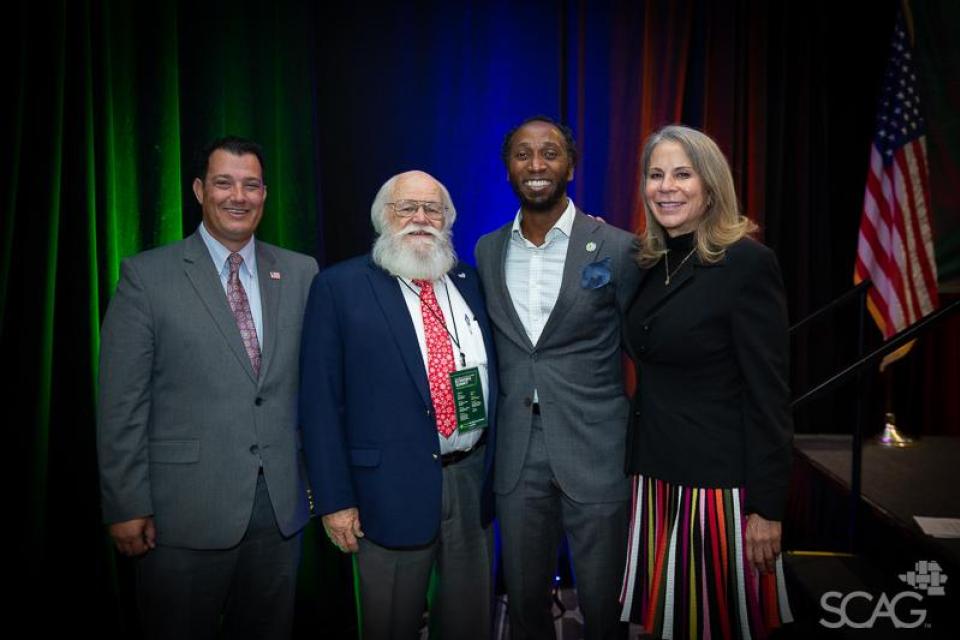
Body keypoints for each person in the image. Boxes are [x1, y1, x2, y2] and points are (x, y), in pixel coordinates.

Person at [96, 136, 319, 638]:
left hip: (278, 511)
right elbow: (120, 403)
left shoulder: (300, 272)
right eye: (224, 183)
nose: (238, 196)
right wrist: (126, 503)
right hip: (181, 514)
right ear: (199, 190)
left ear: (265, 195)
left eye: (251, 185)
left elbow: (317, 387)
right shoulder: (147, 276)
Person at [299, 171, 498, 639]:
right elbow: (319, 404)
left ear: (448, 220)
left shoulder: (470, 281)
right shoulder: (340, 287)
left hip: (470, 483)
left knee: (469, 623)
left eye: (433, 209)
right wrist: (334, 500)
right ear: (382, 218)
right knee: (389, 625)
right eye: (406, 207)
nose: (420, 218)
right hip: (384, 493)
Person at [619, 124, 794, 639]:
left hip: (716, 489)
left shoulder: (747, 264)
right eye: (655, 175)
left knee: (713, 623)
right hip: (656, 476)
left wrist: (767, 507)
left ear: (711, 185)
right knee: (669, 623)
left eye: (682, 174)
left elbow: (769, 394)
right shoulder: (652, 262)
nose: (666, 187)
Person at [475, 116, 639, 639]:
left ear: (570, 166)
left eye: (550, 153)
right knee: (524, 602)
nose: (536, 164)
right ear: (507, 168)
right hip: (517, 452)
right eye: (523, 154)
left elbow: (645, 348)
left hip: (597, 448)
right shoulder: (486, 251)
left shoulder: (617, 247)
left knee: (604, 605)